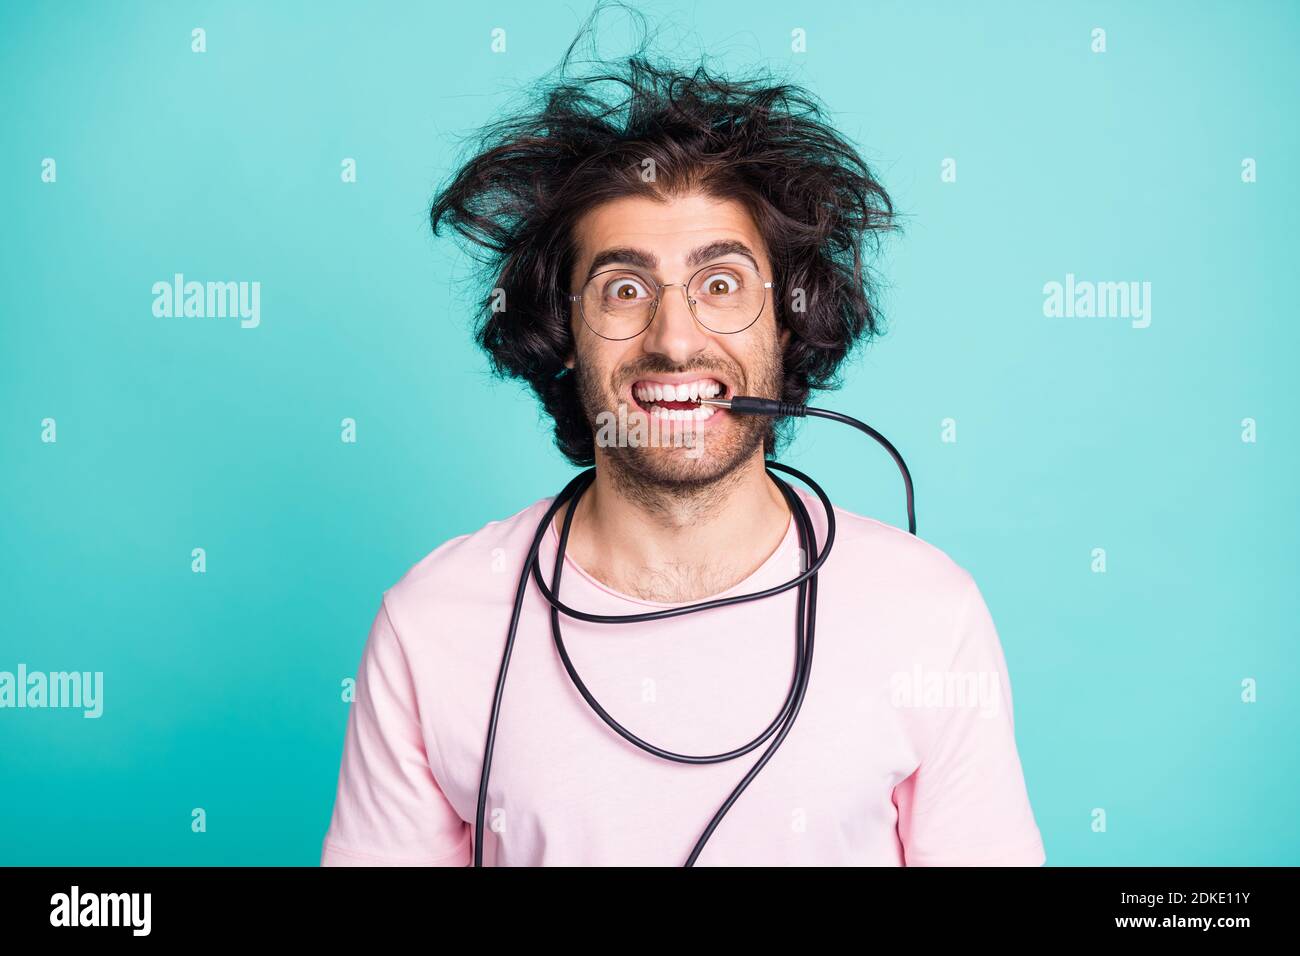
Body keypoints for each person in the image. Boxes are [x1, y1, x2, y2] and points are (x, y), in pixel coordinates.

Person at [320, 21, 1045, 867]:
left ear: (791, 317)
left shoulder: (930, 615)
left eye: (721, 283)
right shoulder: (431, 624)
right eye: (623, 289)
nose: (674, 339)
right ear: (561, 332)